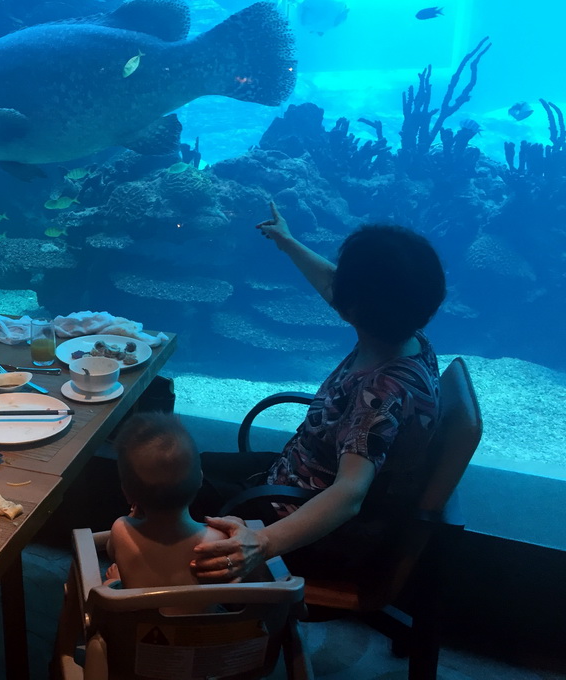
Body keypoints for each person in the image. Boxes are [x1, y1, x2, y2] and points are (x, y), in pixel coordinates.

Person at [190, 201, 446, 584]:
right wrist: (288, 242)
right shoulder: (404, 334)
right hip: (294, 475)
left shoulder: (380, 394)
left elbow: (349, 493)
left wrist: (260, 543)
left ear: (353, 306)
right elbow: (337, 287)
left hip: (304, 523)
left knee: (166, 491)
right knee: (187, 468)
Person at [105, 412, 226, 595]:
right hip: (201, 624)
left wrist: (115, 581)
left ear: (127, 494)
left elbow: (112, 553)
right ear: (200, 479)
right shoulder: (219, 540)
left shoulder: (121, 530)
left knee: (112, 580)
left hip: (139, 623)